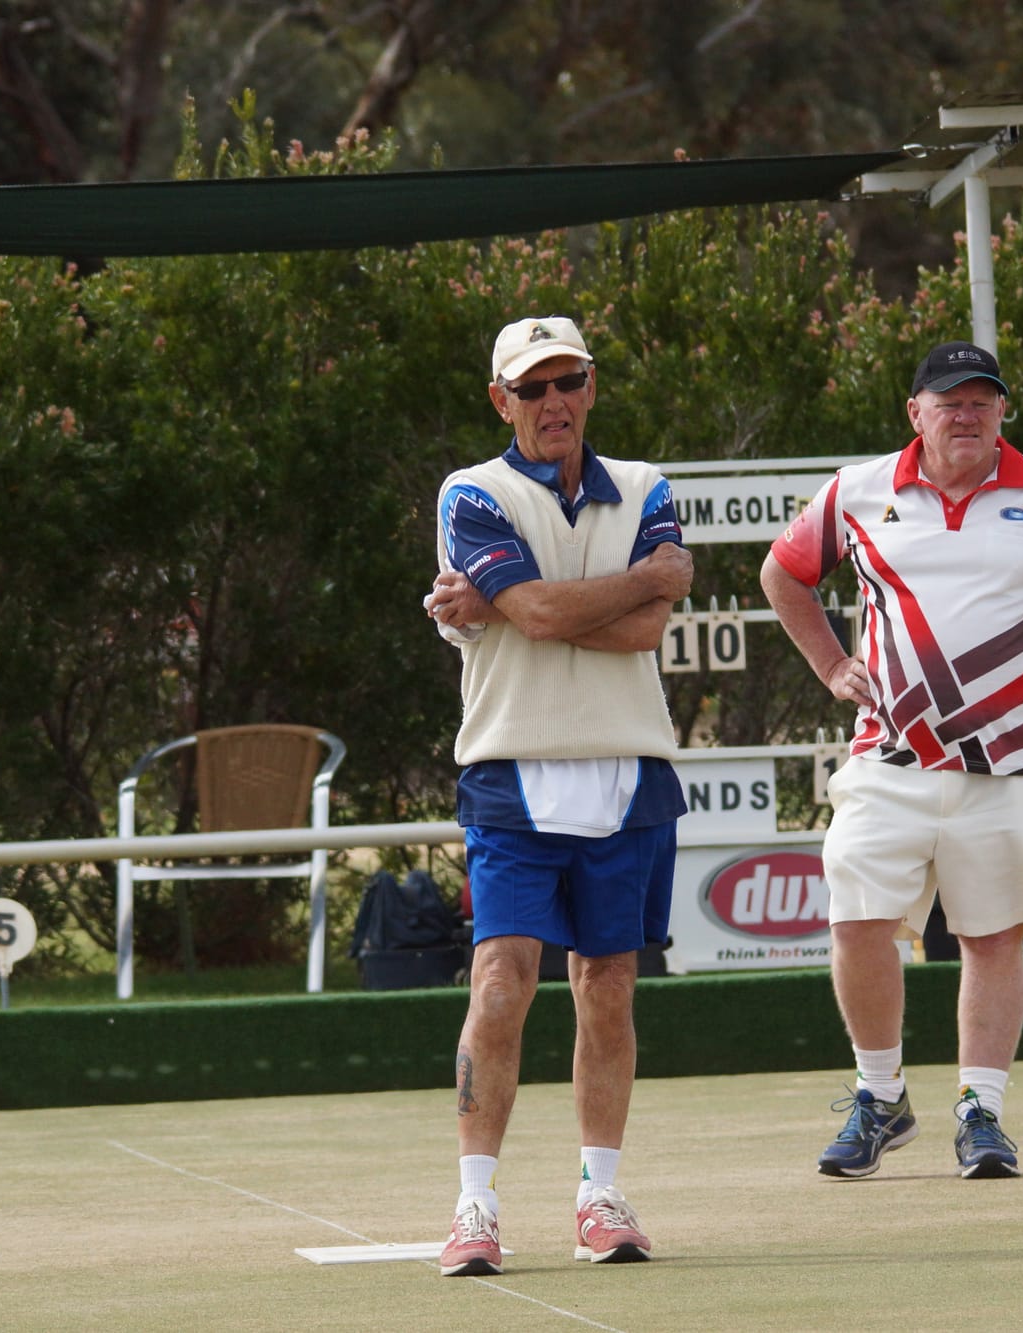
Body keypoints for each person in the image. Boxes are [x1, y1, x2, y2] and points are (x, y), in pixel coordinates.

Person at [759, 340, 1023, 1181]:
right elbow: (782, 575)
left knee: (992, 937)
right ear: (917, 414)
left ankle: (981, 1110)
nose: (966, 414)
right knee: (856, 921)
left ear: (1002, 410)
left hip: (1007, 759)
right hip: (888, 754)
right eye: (949, 400)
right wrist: (831, 665)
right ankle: (880, 1095)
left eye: (982, 400)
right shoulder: (858, 489)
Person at [423, 315, 692, 1275]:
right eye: (530, 388)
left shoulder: (650, 486)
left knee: (608, 989)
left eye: (566, 380)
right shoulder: (471, 491)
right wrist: (613, 586)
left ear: (590, 385)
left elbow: (643, 634)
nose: (552, 403)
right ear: (501, 400)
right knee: (501, 981)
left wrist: (512, 606)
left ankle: (599, 1193)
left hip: (629, 771)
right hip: (510, 769)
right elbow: (555, 607)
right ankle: (475, 1205)